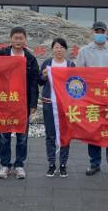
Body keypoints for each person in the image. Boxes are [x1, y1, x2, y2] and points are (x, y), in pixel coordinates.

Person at [75, 21, 108, 180]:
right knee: (94, 132)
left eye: (102, 31)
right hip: (92, 99)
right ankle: (94, 163)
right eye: (97, 31)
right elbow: (78, 75)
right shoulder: (84, 51)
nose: (100, 34)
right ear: (92, 32)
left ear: (106, 33)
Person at [0, 26, 39, 179]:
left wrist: (33, 103)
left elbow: (34, 82)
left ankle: (19, 165)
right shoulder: (2, 54)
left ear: (25, 40)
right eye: (16, 38)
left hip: (22, 103)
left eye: (21, 38)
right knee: (4, 135)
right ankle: (5, 165)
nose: (18, 41)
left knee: (22, 136)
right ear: (10, 39)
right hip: (5, 101)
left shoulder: (30, 58)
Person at [39, 37, 74, 178]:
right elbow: (40, 82)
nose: (59, 50)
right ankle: (52, 164)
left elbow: (75, 84)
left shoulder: (70, 65)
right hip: (49, 103)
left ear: (66, 50)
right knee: (50, 135)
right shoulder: (47, 63)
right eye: (56, 47)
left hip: (65, 105)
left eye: (62, 47)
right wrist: (44, 76)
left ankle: (63, 164)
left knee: (66, 134)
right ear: (52, 49)